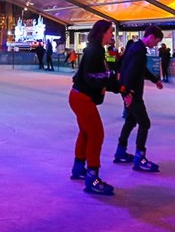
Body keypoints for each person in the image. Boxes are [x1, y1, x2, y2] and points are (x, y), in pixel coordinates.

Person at [69, 19, 120, 196]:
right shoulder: (95, 51)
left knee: (86, 133)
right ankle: (92, 177)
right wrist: (110, 82)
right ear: (102, 32)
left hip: (79, 96)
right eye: (110, 32)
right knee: (96, 135)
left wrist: (113, 83)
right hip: (82, 98)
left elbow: (96, 75)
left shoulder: (96, 50)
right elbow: (92, 76)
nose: (112, 35)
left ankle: (78, 168)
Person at [114, 25, 164, 173]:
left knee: (130, 121)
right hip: (133, 93)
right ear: (151, 37)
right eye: (156, 41)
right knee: (145, 123)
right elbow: (130, 72)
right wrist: (128, 93)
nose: (155, 45)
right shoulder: (138, 51)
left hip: (129, 91)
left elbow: (137, 69)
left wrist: (155, 80)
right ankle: (139, 158)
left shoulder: (135, 47)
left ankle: (120, 151)